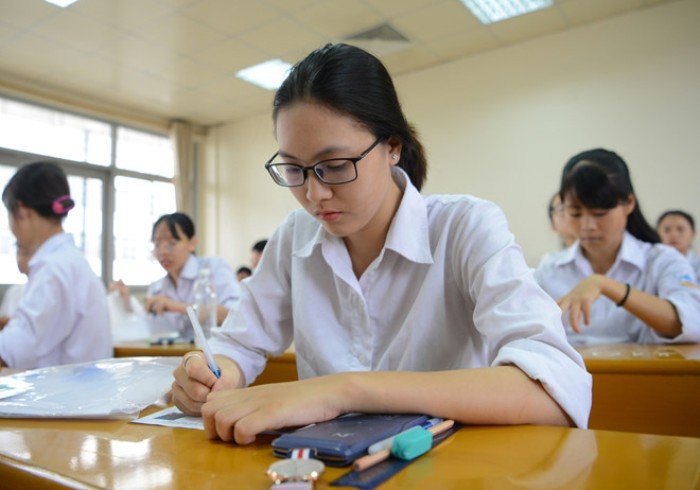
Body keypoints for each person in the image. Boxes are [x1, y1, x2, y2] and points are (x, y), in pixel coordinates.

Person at [173, 43, 591, 446]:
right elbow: (239, 344)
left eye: (335, 166)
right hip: (325, 465)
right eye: (294, 169)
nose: (314, 194)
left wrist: (344, 391)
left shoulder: (464, 226)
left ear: (392, 147)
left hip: (449, 467)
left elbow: (553, 389)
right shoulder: (294, 238)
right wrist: (214, 373)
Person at [535, 149, 700, 346]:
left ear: (629, 203)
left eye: (599, 213)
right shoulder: (550, 268)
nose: (587, 226)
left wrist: (605, 285)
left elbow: (691, 322)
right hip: (570, 366)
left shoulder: (661, 260)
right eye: (575, 213)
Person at [0, 161, 112, 368]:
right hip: (79, 384)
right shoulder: (66, 261)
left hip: (70, 388)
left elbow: (12, 350)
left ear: (22, 211)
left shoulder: (54, 268)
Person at [112, 212, 240, 338]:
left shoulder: (213, 269)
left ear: (192, 243)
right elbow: (147, 329)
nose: (162, 252)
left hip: (213, 350)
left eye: (171, 243)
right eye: (157, 244)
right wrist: (127, 302)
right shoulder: (157, 288)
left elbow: (236, 316)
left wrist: (175, 306)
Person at [657, 210, 700, 279]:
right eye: (667, 230)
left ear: (693, 234)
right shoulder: (650, 263)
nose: (673, 235)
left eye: (680, 229)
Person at [0, 243, 31, 329]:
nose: (20, 259)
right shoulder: (15, 291)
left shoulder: (48, 289)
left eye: (26, 254)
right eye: (18, 253)